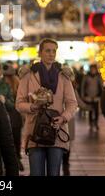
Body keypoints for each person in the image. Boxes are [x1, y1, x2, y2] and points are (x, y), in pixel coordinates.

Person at [16, 39, 78, 176]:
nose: (51, 54)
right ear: (40, 52)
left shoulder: (63, 76)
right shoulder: (29, 75)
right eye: (47, 51)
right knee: (36, 173)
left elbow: (72, 103)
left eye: (54, 51)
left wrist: (63, 118)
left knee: (54, 173)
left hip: (56, 130)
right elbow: (19, 103)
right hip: (34, 131)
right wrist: (32, 106)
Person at [0, 61, 24, 171]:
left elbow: (13, 104)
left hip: (6, 119)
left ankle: (12, 163)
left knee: (8, 143)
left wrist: (5, 100)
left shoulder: (5, 86)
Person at [2, 63, 24, 171]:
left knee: (7, 141)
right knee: (16, 140)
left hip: (7, 117)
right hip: (16, 117)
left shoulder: (3, 85)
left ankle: (12, 161)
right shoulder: (17, 83)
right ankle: (17, 158)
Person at [81, 64, 103, 131]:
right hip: (88, 96)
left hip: (96, 96)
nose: (93, 70)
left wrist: (101, 95)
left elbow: (101, 86)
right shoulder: (86, 76)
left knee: (96, 111)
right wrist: (83, 95)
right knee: (90, 110)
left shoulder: (98, 77)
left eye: (94, 69)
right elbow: (83, 86)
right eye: (91, 69)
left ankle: (96, 123)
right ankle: (90, 123)